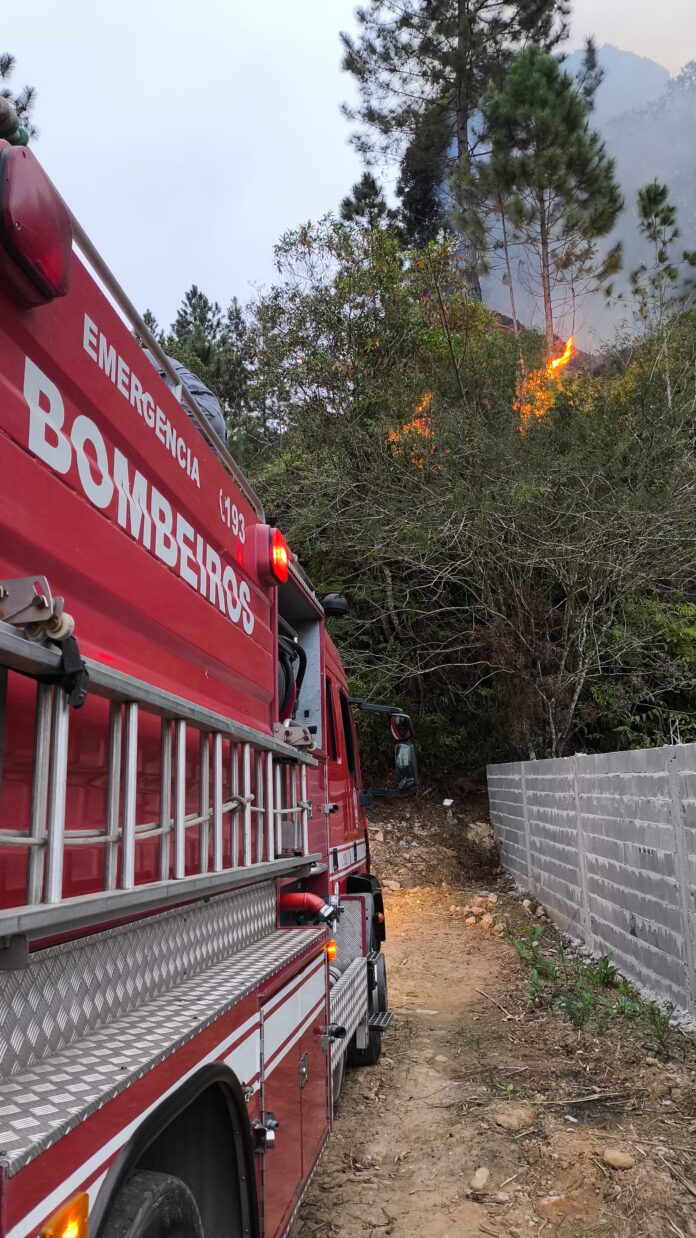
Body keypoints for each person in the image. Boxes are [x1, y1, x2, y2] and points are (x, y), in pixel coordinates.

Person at [144, 349, 227, 444]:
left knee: (153, 436)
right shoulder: (157, 357)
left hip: (197, 407)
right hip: (217, 424)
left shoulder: (135, 354)